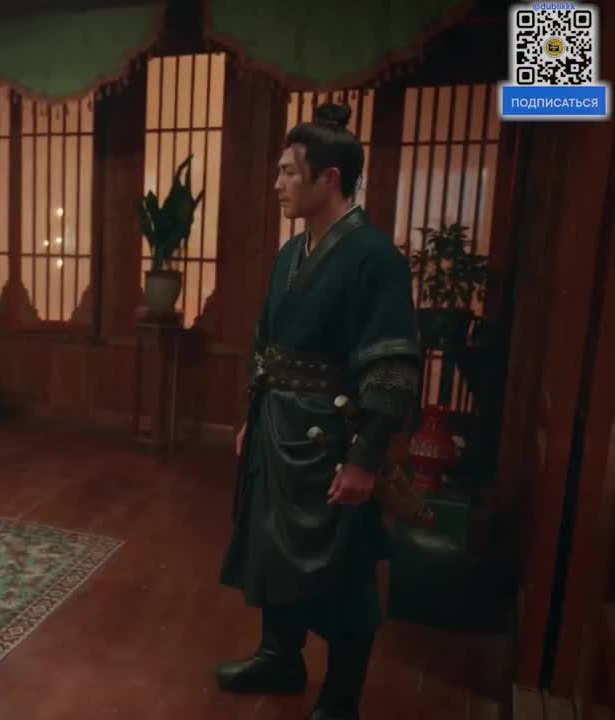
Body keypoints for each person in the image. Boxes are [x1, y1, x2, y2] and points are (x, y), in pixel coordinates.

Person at [217, 102, 421, 720]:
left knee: (342, 565)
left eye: (288, 171)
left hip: (333, 437)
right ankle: (280, 654)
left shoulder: (375, 258)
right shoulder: (290, 254)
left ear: (329, 178)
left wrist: (365, 458)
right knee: (271, 546)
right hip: (276, 426)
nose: (277, 183)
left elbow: (391, 367)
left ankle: (341, 697)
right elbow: (267, 344)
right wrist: (253, 415)